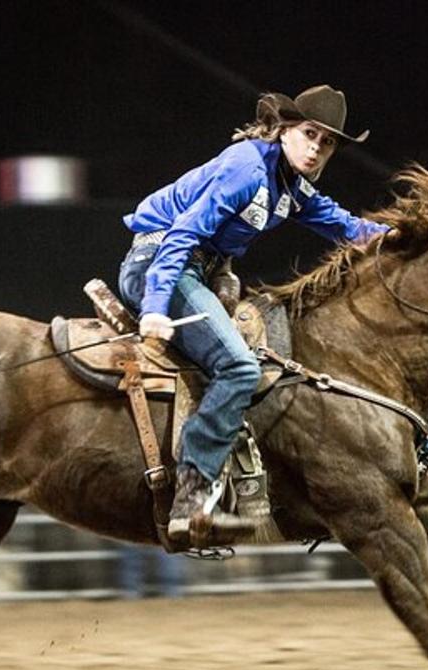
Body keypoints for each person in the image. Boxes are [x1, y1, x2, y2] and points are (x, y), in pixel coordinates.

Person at [117, 85, 389, 549]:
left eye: (327, 143)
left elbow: (350, 228)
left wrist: (406, 236)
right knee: (241, 367)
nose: (316, 148)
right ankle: (193, 495)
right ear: (284, 129)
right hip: (162, 261)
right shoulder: (246, 168)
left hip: (199, 271)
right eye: (309, 134)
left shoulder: (292, 188)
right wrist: (157, 306)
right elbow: (182, 233)